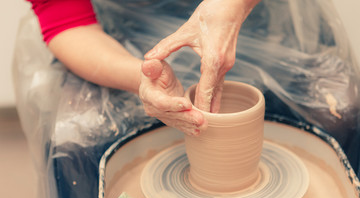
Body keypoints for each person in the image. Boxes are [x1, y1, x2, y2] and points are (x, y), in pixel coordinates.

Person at [28, 0, 260, 136]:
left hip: (241, 14)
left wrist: (234, 6)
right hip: (115, 33)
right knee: (77, 140)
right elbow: (67, 20)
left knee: (280, 105)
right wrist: (142, 77)